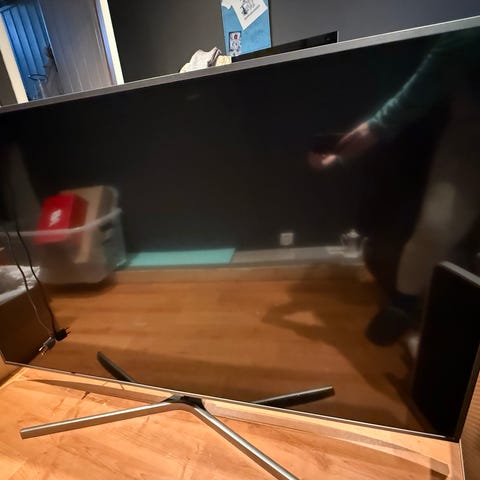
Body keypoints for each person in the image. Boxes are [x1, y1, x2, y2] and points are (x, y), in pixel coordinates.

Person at [310, 28, 480, 346]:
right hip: (470, 133)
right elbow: (401, 108)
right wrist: (340, 153)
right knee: (435, 228)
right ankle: (403, 305)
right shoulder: (462, 37)